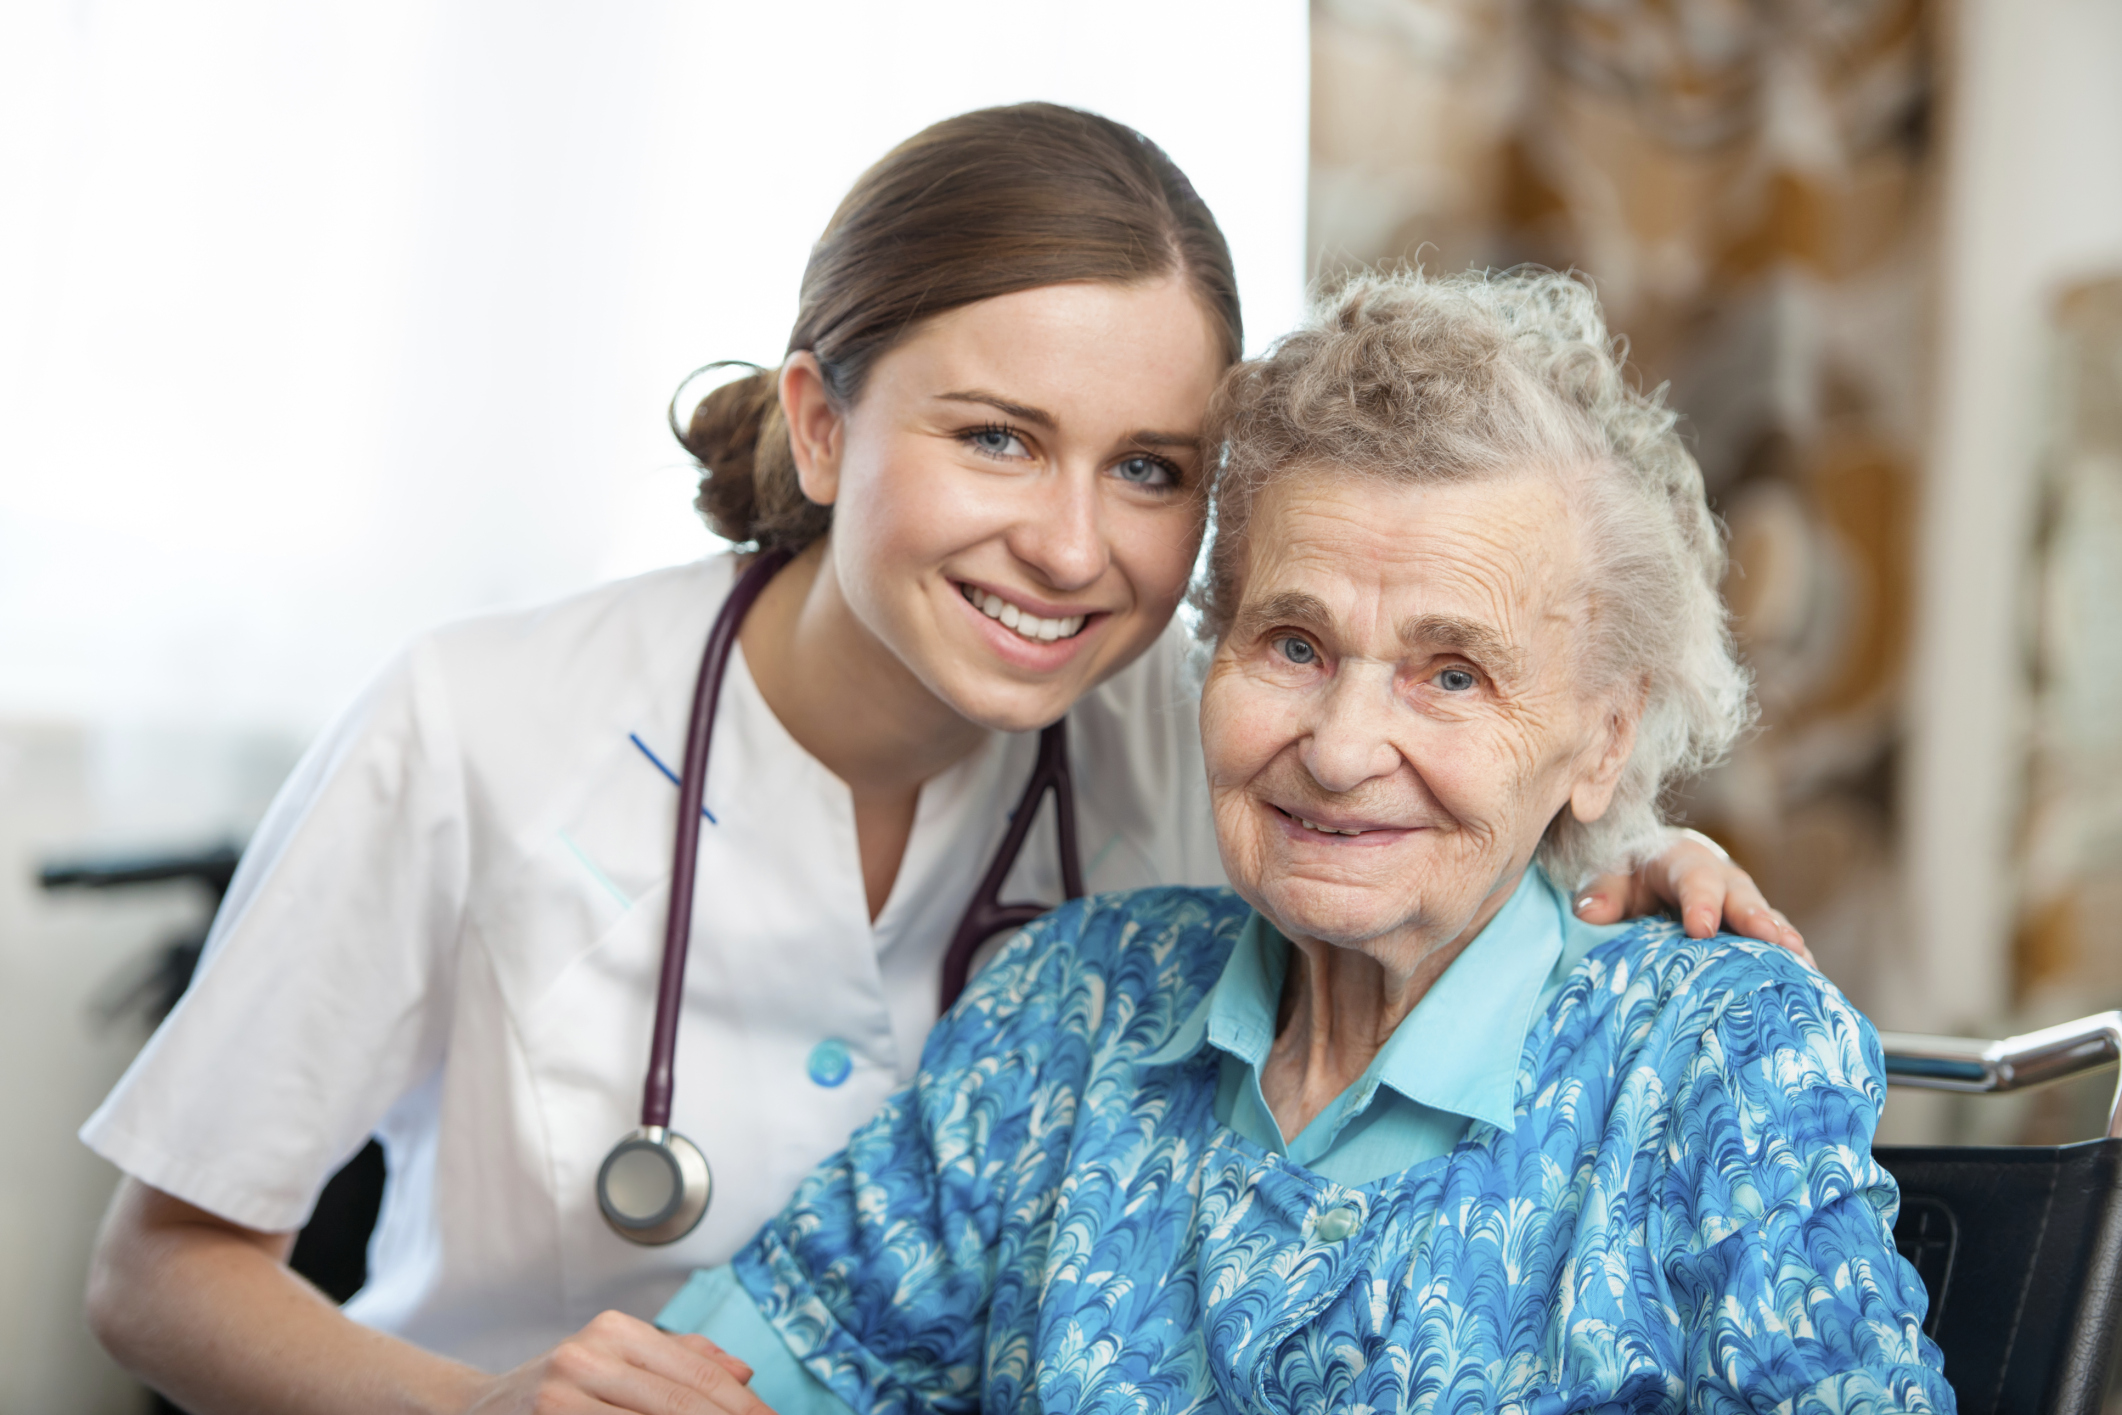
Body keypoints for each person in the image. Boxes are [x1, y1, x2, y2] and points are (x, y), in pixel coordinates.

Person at [81, 108, 1802, 1415]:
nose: (1070, 548)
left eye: (1149, 470)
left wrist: (1610, 882)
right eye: (997, 439)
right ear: (823, 425)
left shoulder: (1212, 738)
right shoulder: (475, 724)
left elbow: (1427, 877)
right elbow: (159, 1275)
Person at [658, 268, 1947, 1414]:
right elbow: (727, 1383)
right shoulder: (1070, 1004)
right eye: (1292, 644)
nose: (1338, 749)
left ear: (1601, 743)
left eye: (1452, 676)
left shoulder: (1712, 1063)